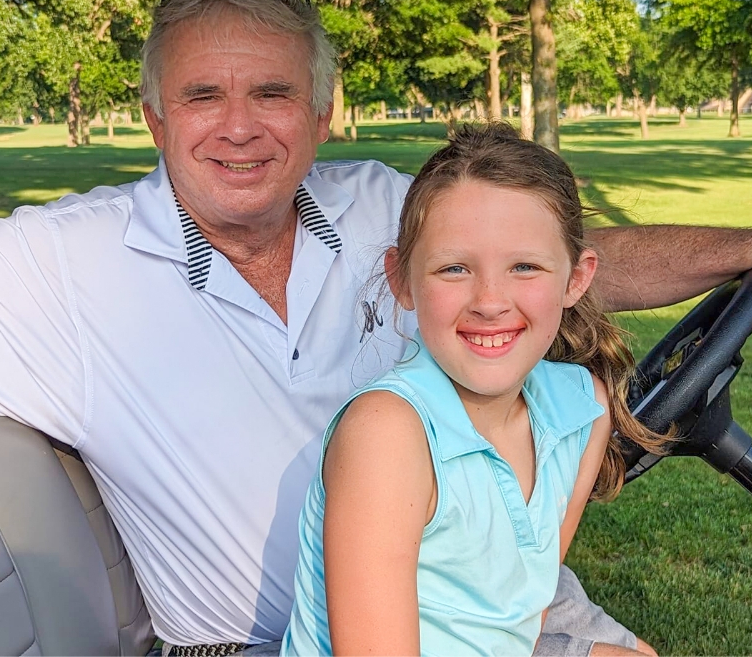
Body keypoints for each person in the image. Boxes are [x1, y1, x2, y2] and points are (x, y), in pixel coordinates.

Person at [0, 0, 752, 656]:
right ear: (153, 117)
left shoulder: (377, 204)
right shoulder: (61, 264)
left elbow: (550, 256)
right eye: (202, 96)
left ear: (320, 112)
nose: (239, 125)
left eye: (273, 92)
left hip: (488, 600)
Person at [282, 122, 674, 656]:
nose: (490, 300)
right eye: (454, 268)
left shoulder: (582, 409)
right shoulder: (389, 434)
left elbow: (523, 609)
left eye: (525, 267)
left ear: (575, 279)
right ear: (401, 281)